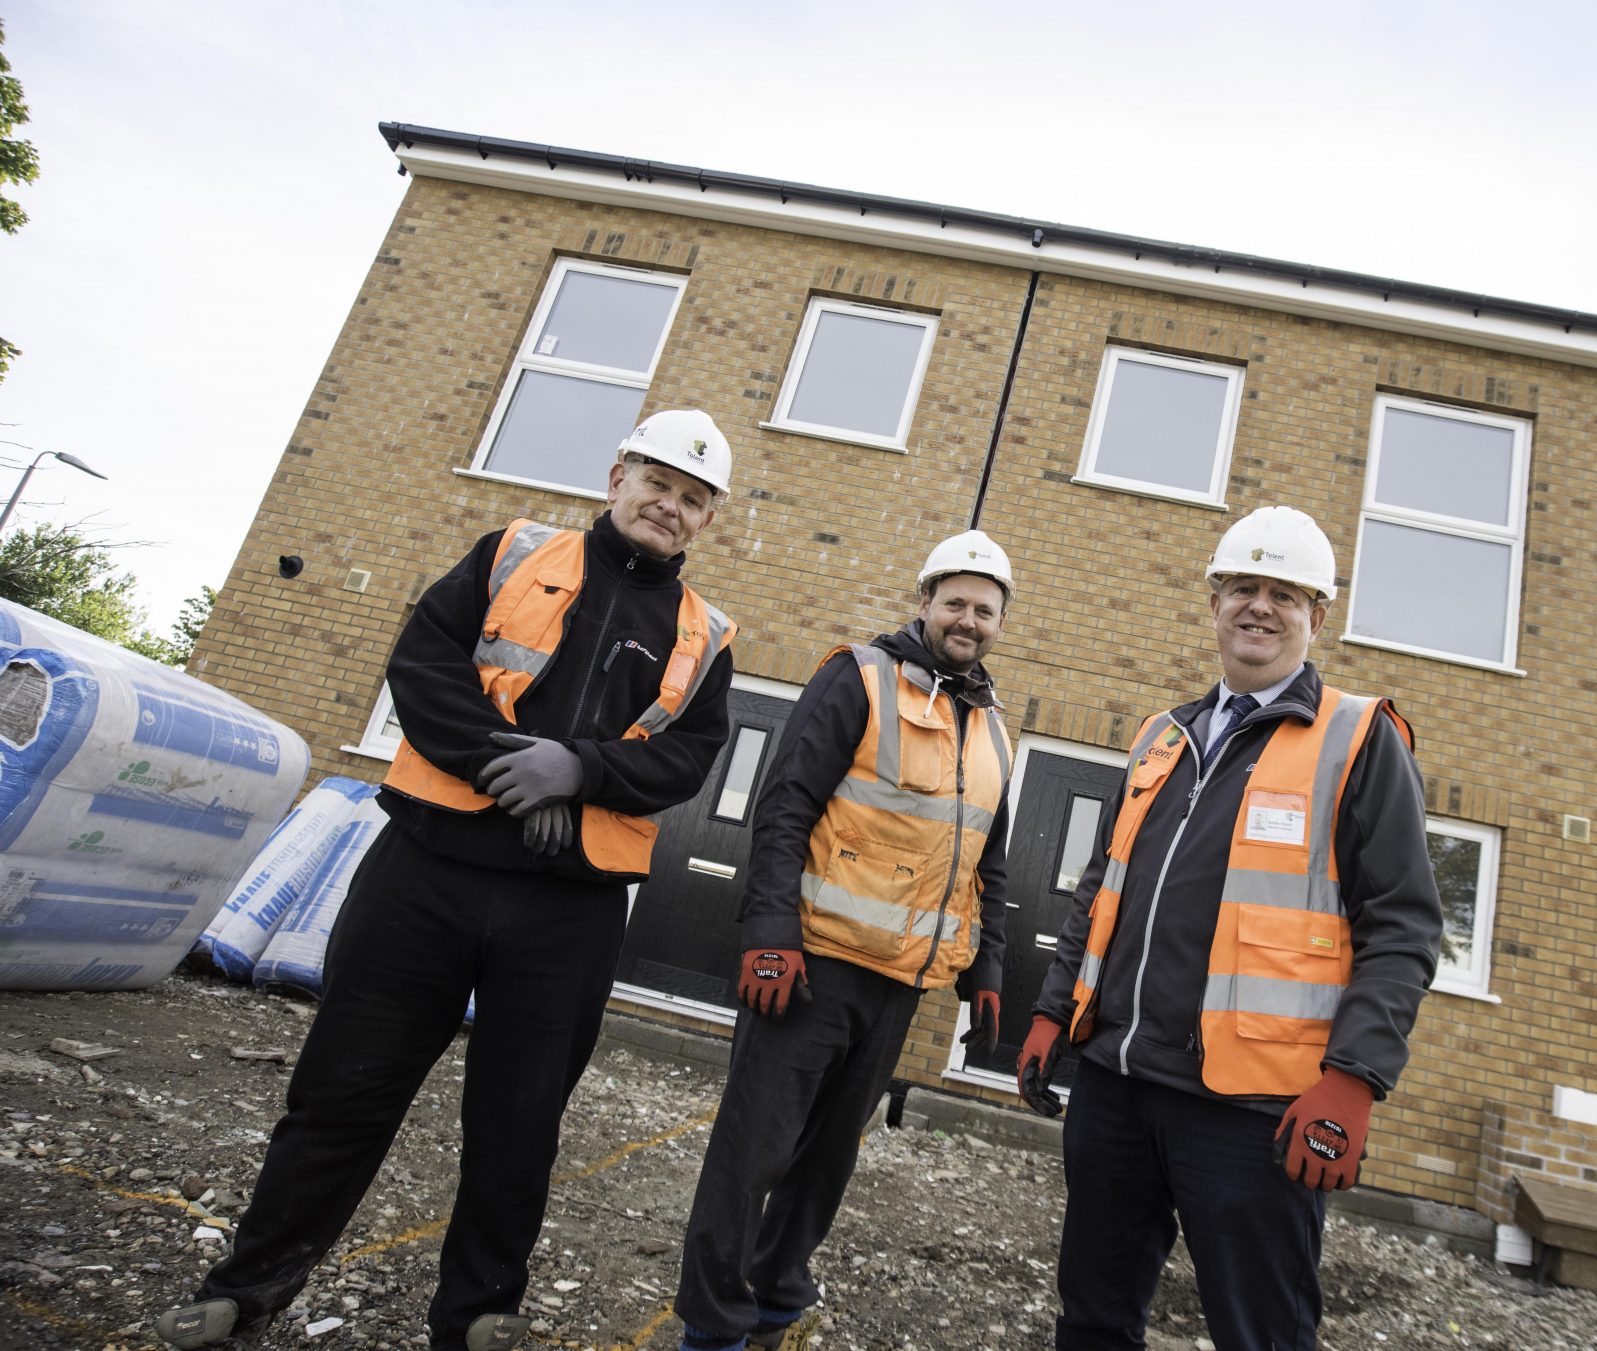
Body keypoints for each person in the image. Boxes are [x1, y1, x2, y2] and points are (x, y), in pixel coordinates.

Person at [157, 410, 740, 1351]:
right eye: (658, 483)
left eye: (692, 498)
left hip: (569, 906)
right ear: (617, 475)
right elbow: (423, 665)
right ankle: (245, 1287)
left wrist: (580, 771)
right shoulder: (510, 553)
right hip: (428, 873)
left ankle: (477, 1315)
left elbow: (686, 761)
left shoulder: (704, 634)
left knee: (520, 1124)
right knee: (343, 1089)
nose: (669, 506)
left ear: (707, 520)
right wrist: (506, 769)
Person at [1017, 506, 1443, 1351]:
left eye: (1285, 593)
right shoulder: (1160, 737)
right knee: (1093, 1317)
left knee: (1264, 1333)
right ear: (1212, 602)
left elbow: (1402, 924)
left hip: (1253, 1109)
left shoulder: (1359, 738)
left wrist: (1353, 1077)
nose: (1260, 606)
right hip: (1118, 1081)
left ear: (1318, 616)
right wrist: (1051, 1010)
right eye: (1242, 586)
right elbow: (1104, 887)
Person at [674, 530, 1017, 1351]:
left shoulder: (993, 727)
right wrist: (768, 932)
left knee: (825, 1164)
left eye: (985, 608)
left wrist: (989, 966)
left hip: (898, 983)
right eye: (955, 602)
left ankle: (773, 1300)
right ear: (925, 600)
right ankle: (713, 1327)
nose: (967, 619)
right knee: (752, 1154)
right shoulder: (858, 677)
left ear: (1000, 622)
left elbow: (986, 860)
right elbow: (785, 804)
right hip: (812, 967)